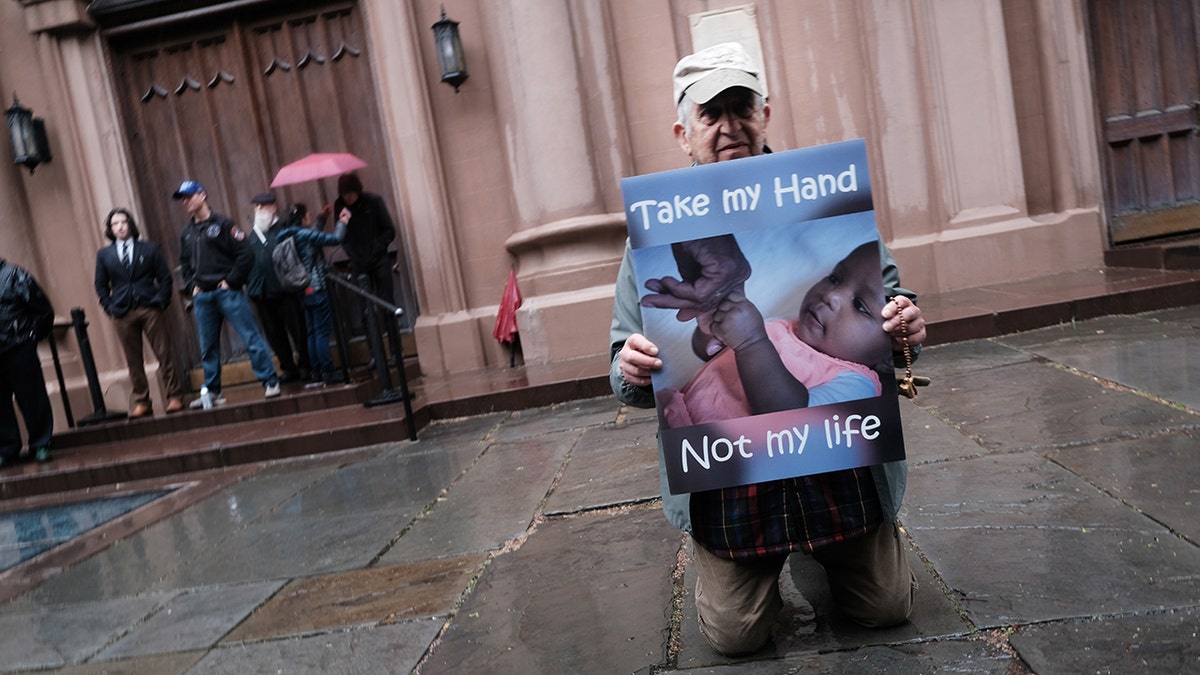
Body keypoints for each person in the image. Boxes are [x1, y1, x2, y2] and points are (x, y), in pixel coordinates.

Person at [609, 42, 928, 655]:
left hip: (837, 477)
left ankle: (824, 553)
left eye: (742, 107)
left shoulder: (827, 195)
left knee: (887, 608)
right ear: (684, 133)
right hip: (733, 482)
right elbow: (628, 355)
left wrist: (908, 328)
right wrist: (632, 367)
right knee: (734, 637)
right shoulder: (654, 228)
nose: (730, 127)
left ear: (767, 114)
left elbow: (891, 301)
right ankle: (758, 565)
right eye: (710, 114)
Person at [650, 238, 892, 428]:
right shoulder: (778, 327)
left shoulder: (857, 385)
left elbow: (791, 421)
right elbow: (713, 357)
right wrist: (712, 331)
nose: (831, 295)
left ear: (889, 357)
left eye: (860, 305)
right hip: (682, 427)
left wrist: (752, 342)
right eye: (835, 278)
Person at [173, 180, 281, 407]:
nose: (185, 201)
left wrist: (231, 281)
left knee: (250, 336)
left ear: (202, 195)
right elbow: (185, 262)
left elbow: (245, 253)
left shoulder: (223, 223)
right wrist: (192, 284)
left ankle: (270, 380)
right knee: (208, 346)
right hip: (203, 296)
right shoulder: (187, 232)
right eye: (182, 198)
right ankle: (213, 391)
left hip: (227, 293)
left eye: (189, 196)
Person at [93, 207, 187, 417]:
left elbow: (164, 278)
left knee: (164, 353)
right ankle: (142, 401)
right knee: (133, 359)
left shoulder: (149, 249)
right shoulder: (104, 255)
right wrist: (109, 307)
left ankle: (174, 396)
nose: (120, 227)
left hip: (149, 308)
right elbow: (100, 285)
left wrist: (160, 301)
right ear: (110, 228)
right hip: (122, 312)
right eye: (115, 223)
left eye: (123, 222)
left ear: (130, 225)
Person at [274, 202, 351, 385]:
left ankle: (316, 372)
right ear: (301, 218)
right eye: (307, 214)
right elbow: (335, 239)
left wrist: (321, 218)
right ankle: (329, 371)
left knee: (312, 333)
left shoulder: (286, 236)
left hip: (302, 291)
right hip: (316, 288)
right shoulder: (303, 234)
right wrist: (343, 221)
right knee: (322, 332)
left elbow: (311, 238)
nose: (309, 216)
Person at [333, 171, 403, 364]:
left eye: (351, 193)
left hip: (379, 260)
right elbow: (341, 236)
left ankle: (396, 352)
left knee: (387, 305)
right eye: (345, 194)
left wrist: (378, 247)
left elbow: (389, 230)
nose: (348, 197)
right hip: (358, 264)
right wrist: (352, 254)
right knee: (366, 311)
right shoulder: (340, 207)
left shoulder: (374, 202)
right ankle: (376, 354)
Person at [245, 192, 311, 383]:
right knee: (274, 333)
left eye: (262, 207)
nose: (258, 211)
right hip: (262, 293)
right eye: (256, 207)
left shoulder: (284, 228)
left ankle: (306, 364)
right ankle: (287, 367)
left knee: (297, 329)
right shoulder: (253, 236)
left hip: (284, 290)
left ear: (272, 207)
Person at [0, 258, 55, 466]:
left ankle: (41, 444)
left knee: (32, 397)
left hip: (18, 347)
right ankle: (7, 449)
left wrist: (32, 336)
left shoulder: (14, 275)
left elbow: (42, 308)